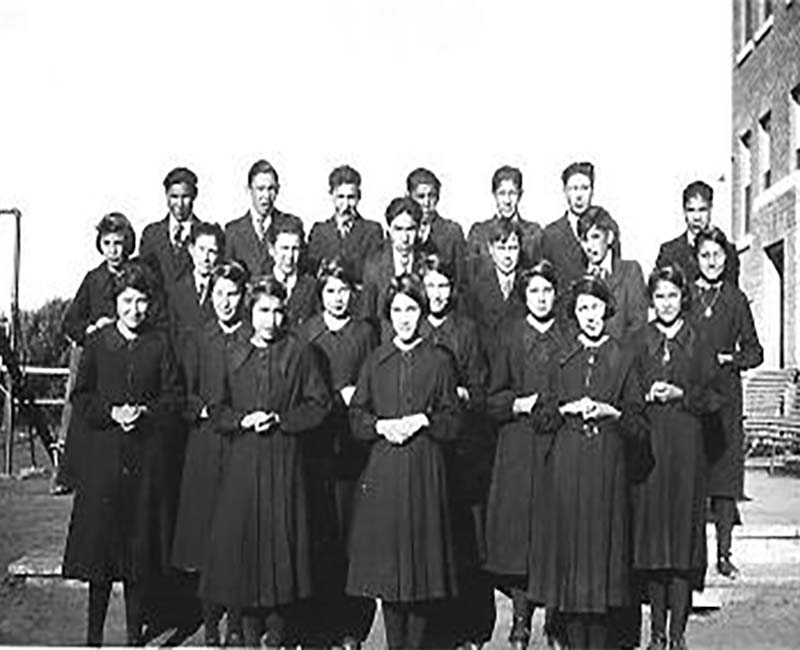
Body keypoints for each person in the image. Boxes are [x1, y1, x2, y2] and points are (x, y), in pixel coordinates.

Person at [199, 277, 331, 649]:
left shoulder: (299, 351)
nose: (270, 320)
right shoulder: (232, 351)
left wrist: (283, 420)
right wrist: (242, 420)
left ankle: (277, 636)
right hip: (243, 462)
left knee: (279, 546)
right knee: (246, 549)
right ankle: (248, 633)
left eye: (276, 311)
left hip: (284, 461)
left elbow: (320, 404)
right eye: (262, 311)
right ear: (250, 312)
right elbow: (217, 408)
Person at [61, 260, 182, 646]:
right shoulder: (99, 342)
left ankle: (133, 637)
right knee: (100, 564)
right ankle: (93, 638)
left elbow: (173, 396)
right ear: (115, 303)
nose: (135, 310)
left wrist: (145, 413)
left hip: (145, 465)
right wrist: (111, 412)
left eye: (142, 302)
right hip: (105, 465)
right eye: (127, 301)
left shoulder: (160, 344)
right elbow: (82, 396)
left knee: (138, 563)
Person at [529, 275, 649, 650]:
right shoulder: (561, 357)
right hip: (567, 468)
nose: (590, 316)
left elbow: (639, 424)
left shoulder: (623, 357)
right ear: (574, 313)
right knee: (570, 564)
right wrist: (566, 408)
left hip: (606, 471)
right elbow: (541, 416)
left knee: (600, 561)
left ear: (607, 310)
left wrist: (611, 411)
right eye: (582, 308)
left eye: (596, 307)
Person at [347, 274, 461, 650]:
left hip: (425, 471)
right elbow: (356, 416)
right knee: (391, 574)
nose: (405, 318)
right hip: (385, 474)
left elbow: (453, 420)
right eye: (397, 310)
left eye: (412, 309)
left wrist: (423, 419)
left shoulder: (439, 360)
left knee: (422, 571)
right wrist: (381, 425)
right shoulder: (376, 360)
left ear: (423, 312)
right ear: (388, 315)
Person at [632, 266, 723, 650]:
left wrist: (681, 395)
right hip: (651, 452)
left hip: (687, 452)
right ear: (651, 300)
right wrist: (647, 397)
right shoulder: (640, 341)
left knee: (682, 543)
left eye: (672, 295)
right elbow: (627, 394)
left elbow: (716, 396)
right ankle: (655, 633)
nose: (666, 303)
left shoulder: (698, 340)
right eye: (659, 296)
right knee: (655, 543)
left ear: (682, 298)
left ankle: (677, 635)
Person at [485, 261, 569, 650]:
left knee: (553, 536)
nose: (540, 298)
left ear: (556, 294)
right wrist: (518, 404)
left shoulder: (568, 337)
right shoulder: (509, 336)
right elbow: (492, 397)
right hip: (518, 447)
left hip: (558, 448)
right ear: (524, 295)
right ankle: (520, 621)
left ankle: (555, 620)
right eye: (533, 291)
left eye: (547, 291)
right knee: (519, 538)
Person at [296, 257, 378, 649]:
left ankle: (352, 628)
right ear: (320, 294)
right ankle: (317, 625)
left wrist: (357, 395)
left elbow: (375, 381)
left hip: (355, 451)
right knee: (320, 534)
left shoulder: (365, 333)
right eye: (330, 290)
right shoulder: (308, 332)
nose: (338, 297)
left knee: (353, 537)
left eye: (344, 290)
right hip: (318, 449)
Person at [418, 254, 495, 650]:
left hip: (458, 448)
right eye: (429, 286)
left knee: (463, 543)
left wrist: (456, 393)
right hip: (421, 448)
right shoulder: (412, 324)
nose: (436, 294)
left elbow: (480, 390)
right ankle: (431, 630)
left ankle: (471, 630)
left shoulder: (465, 330)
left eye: (443, 286)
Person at [170, 261, 249, 646]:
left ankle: (236, 622)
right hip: (205, 445)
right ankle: (211, 625)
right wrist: (204, 409)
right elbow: (183, 395)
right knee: (205, 538)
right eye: (219, 294)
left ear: (244, 295)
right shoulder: (199, 339)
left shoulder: (252, 339)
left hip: (240, 448)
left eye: (233, 294)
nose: (226, 302)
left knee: (235, 537)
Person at [687, 227, 762, 578]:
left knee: (724, 479)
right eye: (705, 255)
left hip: (726, 399)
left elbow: (755, 352)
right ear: (696, 258)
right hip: (691, 397)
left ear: (726, 259)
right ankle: (688, 557)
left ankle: (724, 554)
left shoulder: (735, 299)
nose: (712, 261)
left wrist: (730, 359)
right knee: (690, 476)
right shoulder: (684, 296)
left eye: (718, 255)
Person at [55, 212, 136, 494]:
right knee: (87, 412)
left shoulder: (137, 275)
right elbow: (70, 322)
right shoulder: (93, 279)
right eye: (108, 243)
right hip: (100, 357)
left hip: (129, 356)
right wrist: (92, 328)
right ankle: (72, 475)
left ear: (128, 244)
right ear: (100, 245)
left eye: (119, 243)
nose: (114, 250)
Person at [541, 161, 620, 290]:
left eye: (584, 188)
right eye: (573, 189)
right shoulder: (551, 234)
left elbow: (615, 275)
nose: (579, 196)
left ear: (592, 191)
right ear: (565, 191)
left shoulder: (609, 227)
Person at [577, 206, 648, 342]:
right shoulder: (579, 278)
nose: (590, 247)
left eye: (595, 237)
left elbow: (638, 326)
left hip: (624, 358)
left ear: (609, 237)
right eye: (584, 240)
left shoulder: (630, 271)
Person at [225, 159, 306, 277]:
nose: (266, 196)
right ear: (248, 190)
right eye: (260, 189)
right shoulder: (233, 231)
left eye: (271, 189)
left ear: (278, 190)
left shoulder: (292, 224)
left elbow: (302, 269)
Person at [306, 165, 384, 284]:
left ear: (359, 197)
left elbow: (372, 274)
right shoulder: (319, 232)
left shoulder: (372, 231)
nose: (346, 204)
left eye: (351, 197)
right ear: (331, 195)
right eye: (340, 197)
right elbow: (313, 272)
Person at [655, 180, 740, 286]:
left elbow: (732, 295)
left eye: (702, 210)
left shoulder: (728, 251)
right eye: (691, 210)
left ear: (710, 209)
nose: (696, 217)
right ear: (684, 212)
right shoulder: (669, 252)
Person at [360, 197, 424, 333]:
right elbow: (367, 315)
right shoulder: (375, 265)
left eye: (410, 229)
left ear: (418, 230)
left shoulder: (426, 263)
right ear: (389, 230)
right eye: (398, 229)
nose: (405, 237)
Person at [463, 219, 527, 353]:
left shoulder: (528, 285)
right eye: (501, 248)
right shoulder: (477, 287)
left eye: (513, 248)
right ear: (491, 249)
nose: (507, 256)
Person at [163, 221, 223, 362]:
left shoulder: (223, 291)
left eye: (212, 251)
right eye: (201, 249)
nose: (206, 258)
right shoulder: (175, 291)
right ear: (191, 249)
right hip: (183, 367)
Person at [466, 165, 542, 275]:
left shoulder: (533, 232)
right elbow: (471, 275)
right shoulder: (479, 232)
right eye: (502, 193)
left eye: (512, 193)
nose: (507, 201)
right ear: (494, 195)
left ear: (520, 195)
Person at [139, 167, 201, 291]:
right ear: (166, 195)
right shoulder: (151, 235)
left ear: (194, 195)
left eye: (185, 197)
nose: (180, 204)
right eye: (174, 197)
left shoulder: (206, 234)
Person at [407, 167, 468, 287]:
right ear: (409, 197)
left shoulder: (452, 232)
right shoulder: (402, 231)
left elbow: (461, 280)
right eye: (421, 196)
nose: (426, 203)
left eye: (432, 196)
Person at [268, 220, 319, 329]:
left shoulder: (311, 286)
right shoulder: (259, 284)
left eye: (295, 249)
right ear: (271, 250)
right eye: (284, 248)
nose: (290, 256)